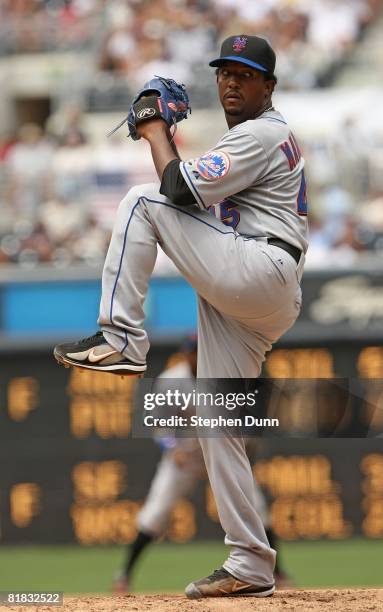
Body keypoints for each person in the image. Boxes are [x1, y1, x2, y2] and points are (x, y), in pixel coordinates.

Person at [54, 34, 308, 598]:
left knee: (141, 202)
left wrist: (155, 131)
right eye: (225, 72)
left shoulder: (262, 132)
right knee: (219, 422)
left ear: (269, 85)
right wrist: (167, 137)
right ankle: (250, 565)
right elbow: (195, 193)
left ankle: (121, 337)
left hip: (259, 267)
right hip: (252, 290)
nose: (231, 82)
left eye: (245, 74)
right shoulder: (252, 139)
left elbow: (176, 188)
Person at [112, 337, 292, 593]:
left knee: (257, 509)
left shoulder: (226, 378)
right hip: (185, 457)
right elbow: (156, 423)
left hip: (220, 455)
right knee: (155, 513)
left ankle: (279, 572)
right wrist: (171, 447)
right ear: (185, 355)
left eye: (199, 350)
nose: (196, 356)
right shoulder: (170, 380)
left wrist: (246, 443)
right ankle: (124, 575)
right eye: (192, 352)